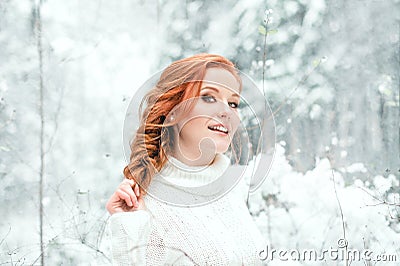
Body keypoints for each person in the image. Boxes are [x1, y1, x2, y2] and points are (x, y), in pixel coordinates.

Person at [106, 54, 266, 265]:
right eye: (209, 97)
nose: (227, 111)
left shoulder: (231, 188)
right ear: (172, 112)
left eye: (234, 103)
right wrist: (129, 225)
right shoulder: (143, 203)